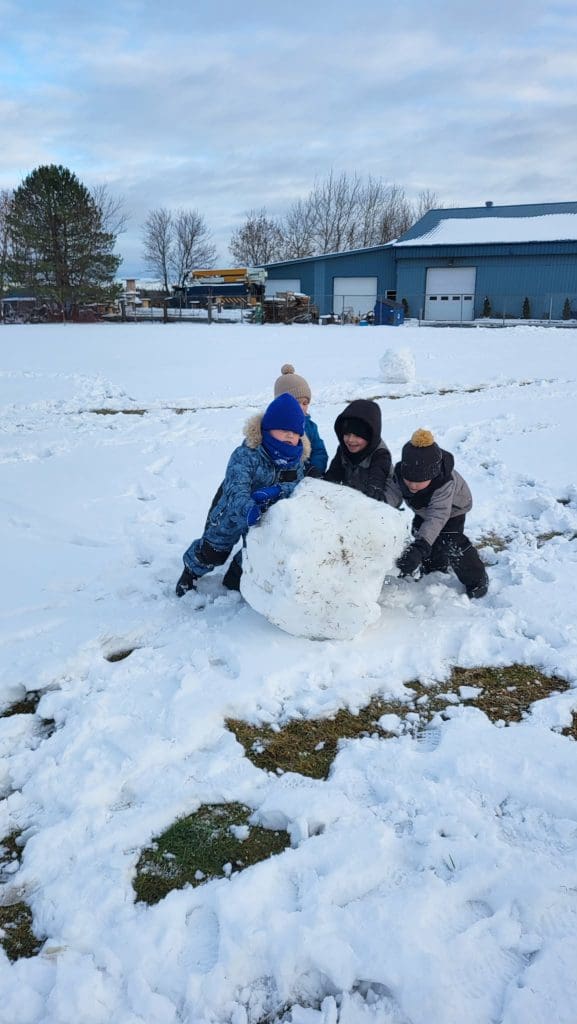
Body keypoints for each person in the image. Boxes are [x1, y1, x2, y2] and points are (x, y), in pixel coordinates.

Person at [175, 392, 310, 596]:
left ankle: (235, 577)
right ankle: (191, 572)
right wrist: (248, 508)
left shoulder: (296, 461)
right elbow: (236, 488)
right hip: (231, 510)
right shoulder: (247, 454)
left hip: (266, 514)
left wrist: (278, 491)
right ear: (268, 428)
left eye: (295, 431)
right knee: (214, 550)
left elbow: (297, 487)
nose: (290, 436)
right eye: (284, 430)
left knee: (257, 549)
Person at [388, 428, 489, 599]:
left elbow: (437, 516)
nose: (412, 485)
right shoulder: (399, 475)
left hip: (453, 509)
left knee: (450, 540)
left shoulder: (444, 483)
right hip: (424, 510)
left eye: (419, 481)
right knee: (422, 533)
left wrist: (420, 547)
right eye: (409, 480)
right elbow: (391, 495)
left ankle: (476, 579)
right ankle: (434, 567)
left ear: (432, 476)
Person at [324, 398, 391, 501]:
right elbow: (333, 474)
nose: (350, 440)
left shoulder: (381, 455)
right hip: (352, 497)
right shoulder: (343, 449)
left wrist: (374, 489)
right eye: (347, 434)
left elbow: (378, 477)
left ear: (370, 436)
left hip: (380, 501)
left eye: (357, 435)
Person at [273, 364, 328, 476]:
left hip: (307, 476)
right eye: (296, 403)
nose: (301, 407)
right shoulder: (273, 427)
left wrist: (315, 468)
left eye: (305, 403)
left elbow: (319, 451)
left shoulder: (310, 426)